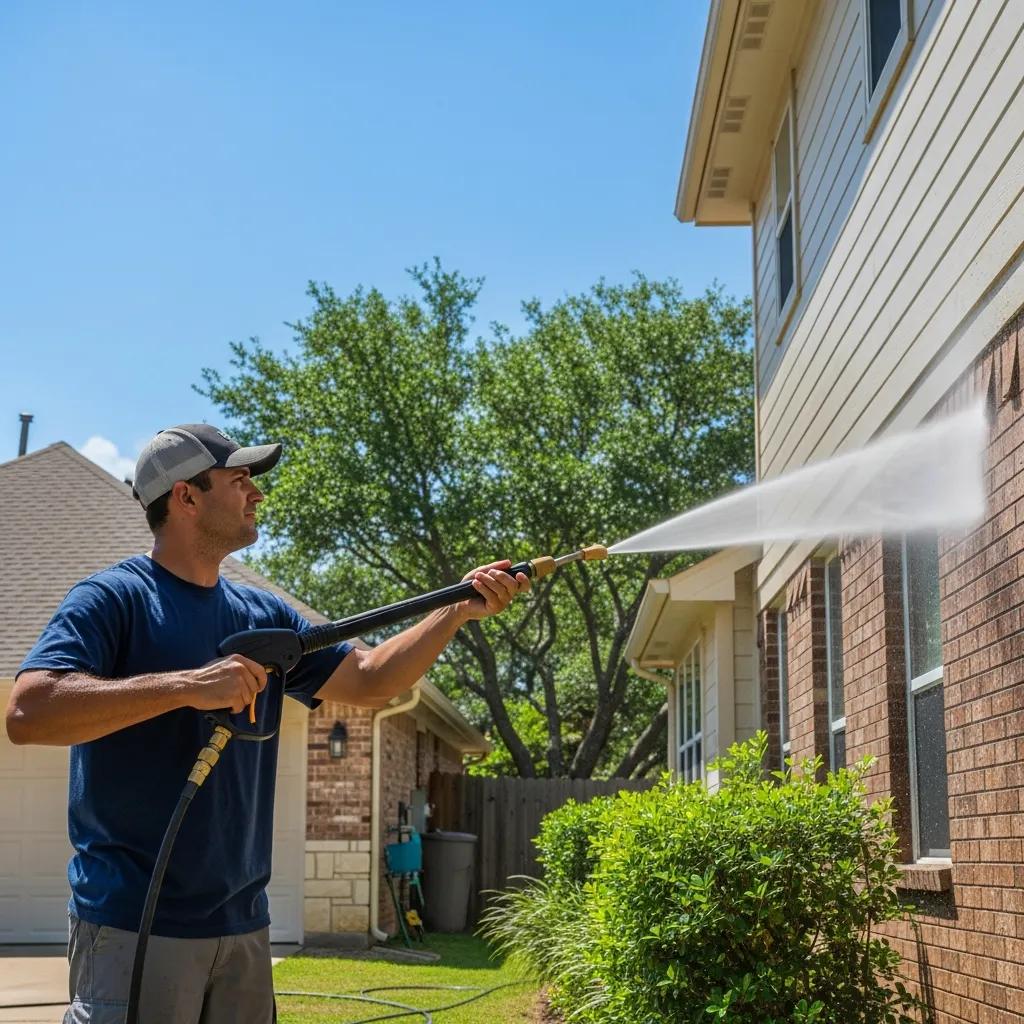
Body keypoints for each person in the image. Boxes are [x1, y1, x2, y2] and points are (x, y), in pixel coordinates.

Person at [5, 423, 529, 1024]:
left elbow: (371, 678)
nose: (257, 493)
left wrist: (454, 611)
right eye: (240, 479)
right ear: (186, 496)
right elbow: (29, 711)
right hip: (135, 920)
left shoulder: (261, 614)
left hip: (245, 924)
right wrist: (187, 685)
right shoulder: (113, 599)